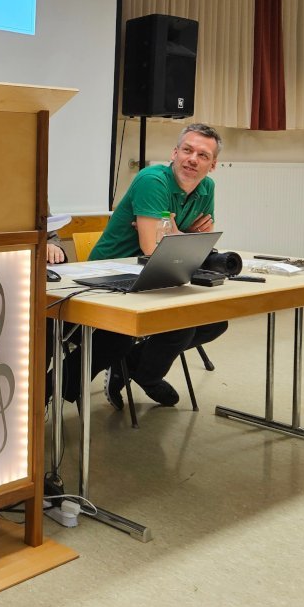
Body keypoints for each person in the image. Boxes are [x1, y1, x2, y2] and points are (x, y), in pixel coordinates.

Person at [90, 122, 227, 409]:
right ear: (174, 153)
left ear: (213, 165)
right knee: (181, 326)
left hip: (162, 275)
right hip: (113, 273)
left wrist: (176, 235)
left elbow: (196, 248)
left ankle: (131, 365)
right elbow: (152, 248)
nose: (192, 159)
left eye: (203, 155)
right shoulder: (152, 180)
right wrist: (184, 237)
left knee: (215, 322)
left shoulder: (207, 188)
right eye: (187, 150)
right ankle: (148, 376)